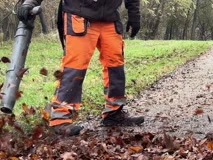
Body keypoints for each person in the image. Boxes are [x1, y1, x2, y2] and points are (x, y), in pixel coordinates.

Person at [17, 0, 144, 136]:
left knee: (115, 65)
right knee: (74, 67)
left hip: (110, 17)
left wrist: (134, 15)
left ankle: (114, 112)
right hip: (79, 14)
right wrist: (29, 3)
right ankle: (60, 118)